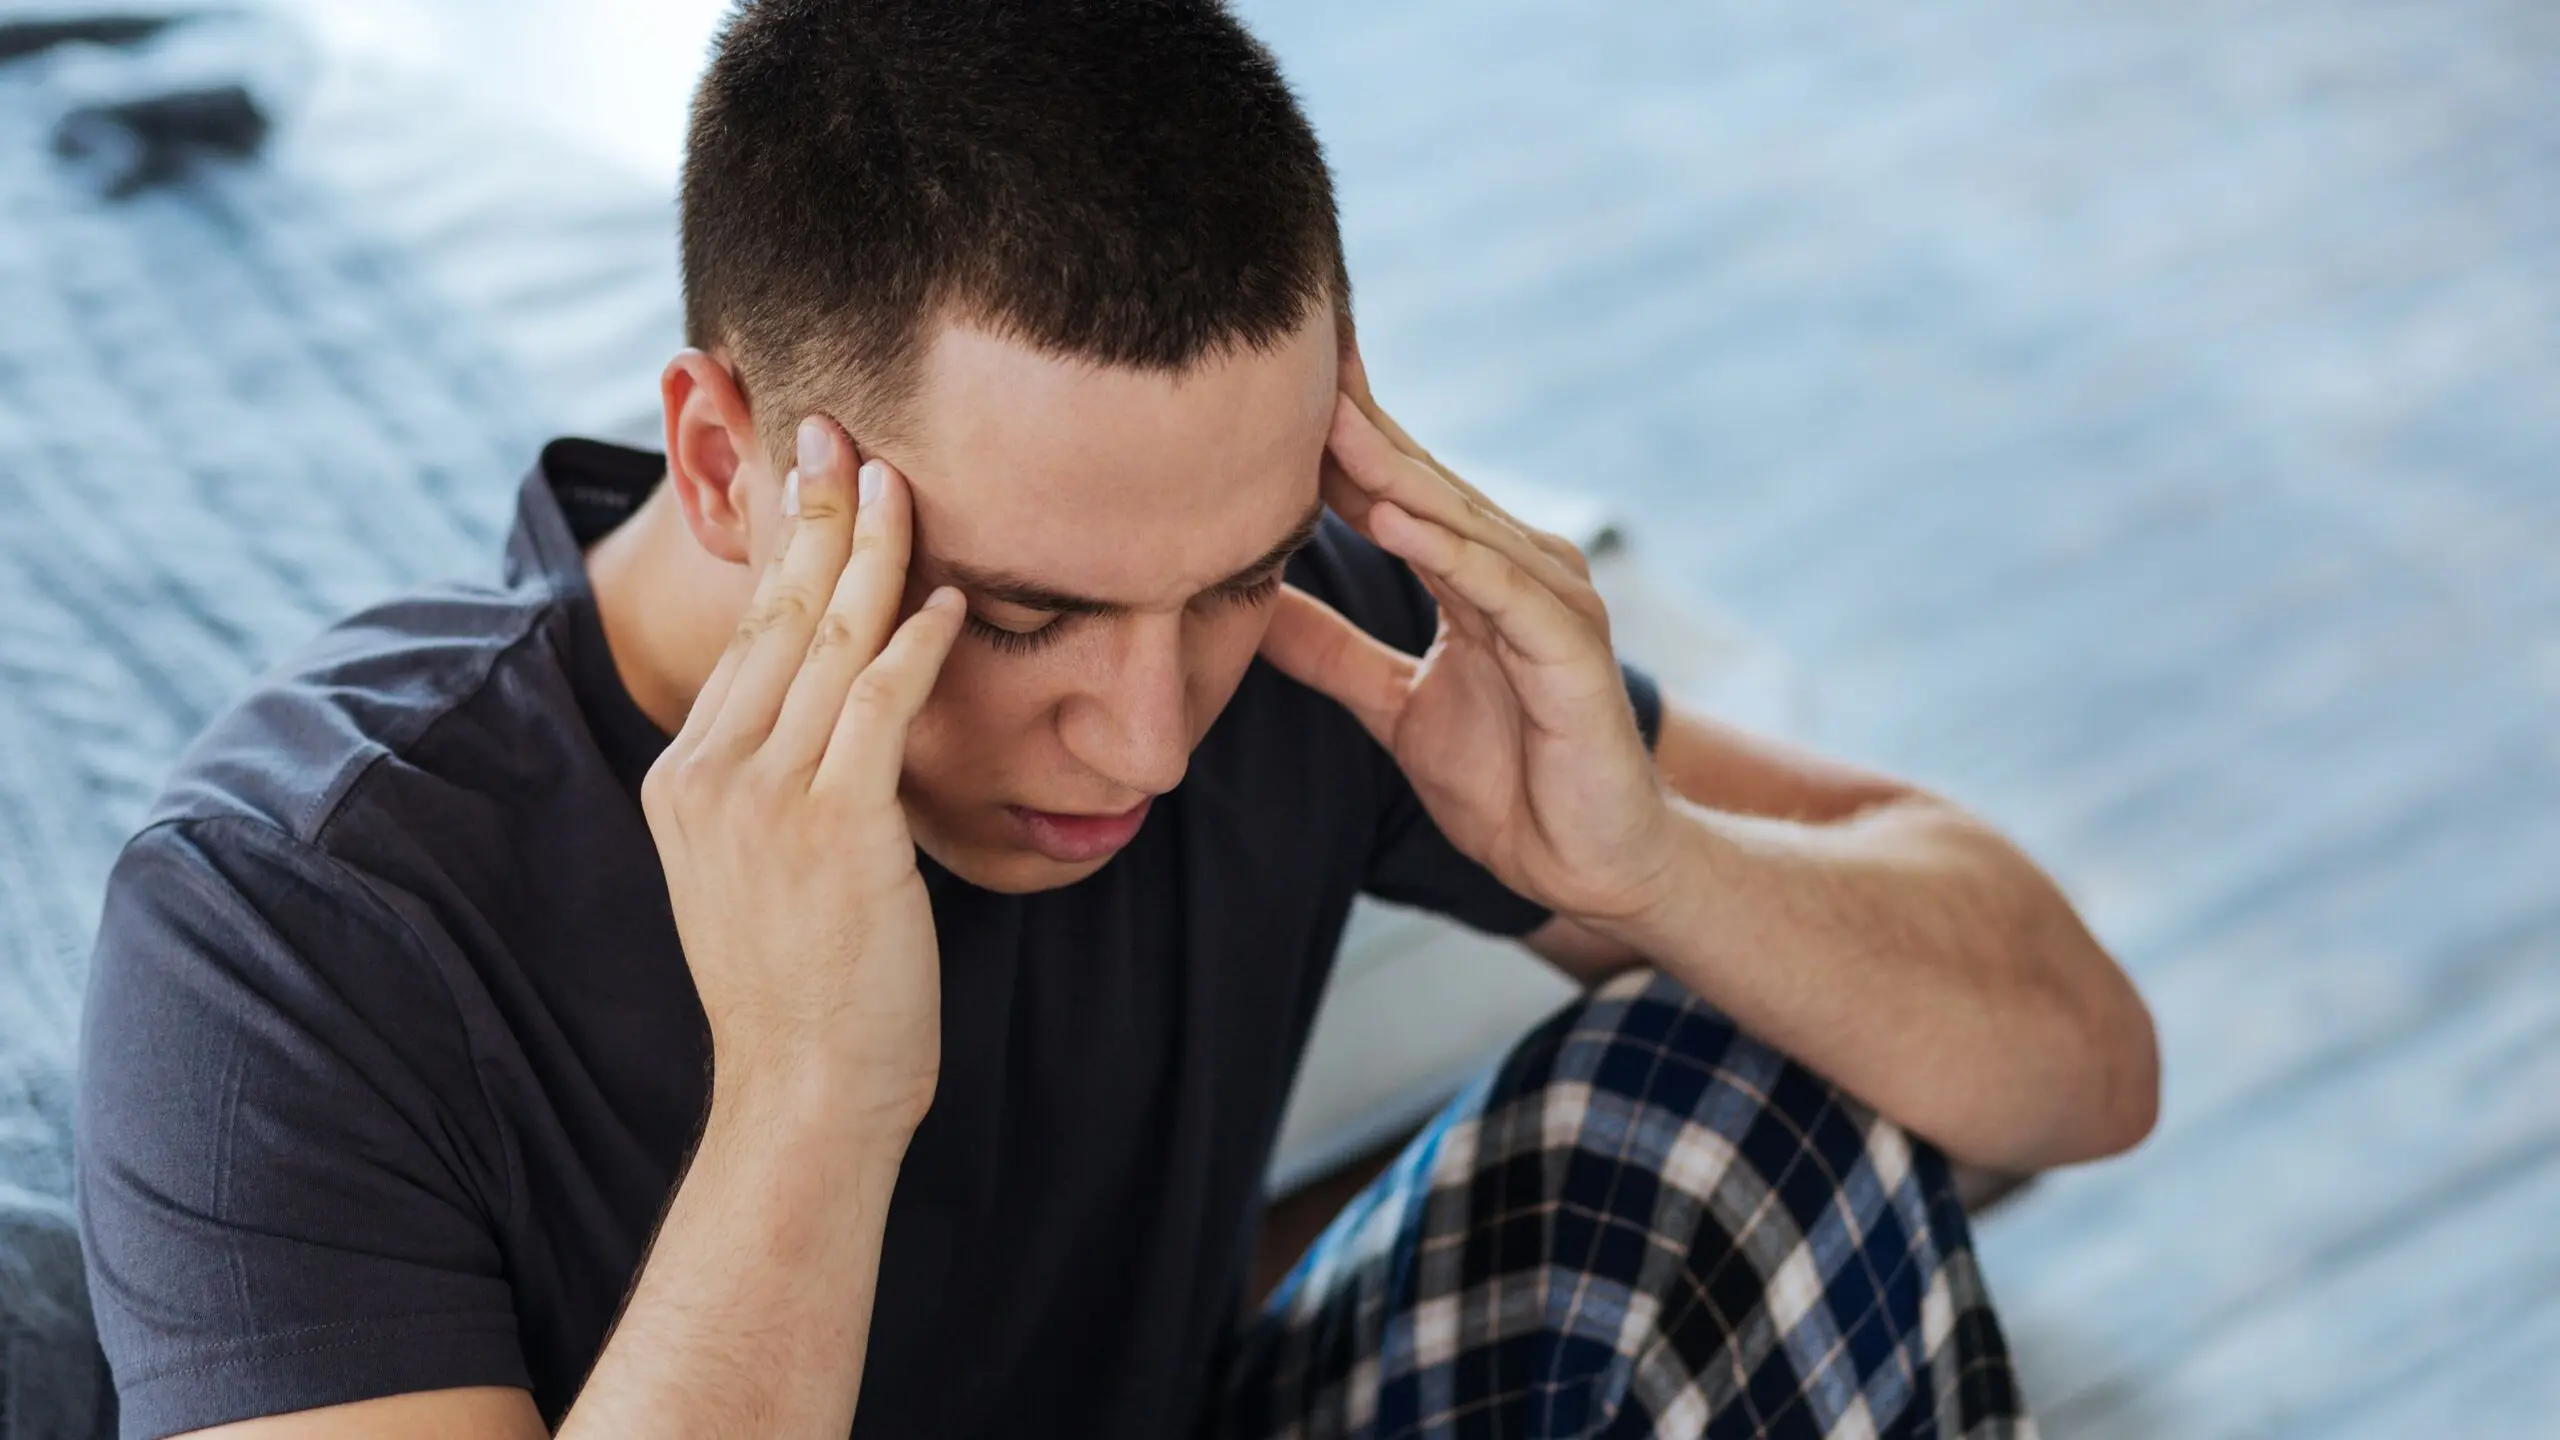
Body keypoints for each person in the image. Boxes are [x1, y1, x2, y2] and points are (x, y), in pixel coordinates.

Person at [74, 2, 2156, 1436]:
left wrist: (1657, 871)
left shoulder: (1299, 660)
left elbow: (2079, 1071)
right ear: (720, 462)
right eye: (1021, 612)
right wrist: (810, 1096)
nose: (1148, 740)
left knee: (1725, 1099)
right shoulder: (288, 935)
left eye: (1236, 571)